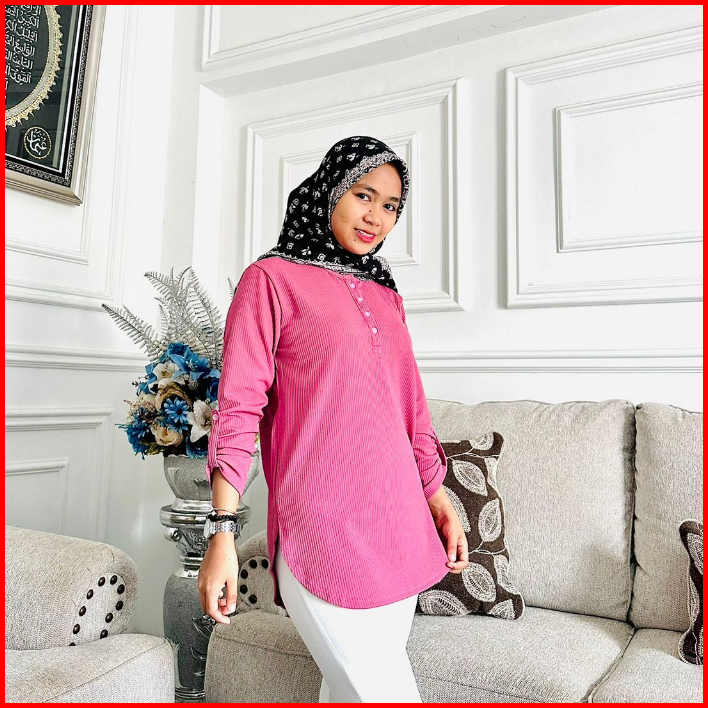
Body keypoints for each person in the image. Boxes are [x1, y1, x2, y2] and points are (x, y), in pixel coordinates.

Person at [198, 135, 469, 702]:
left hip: (398, 520)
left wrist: (438, 495)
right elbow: (239, 407)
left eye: (391, 206)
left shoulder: (384, 292)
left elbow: (409, 405)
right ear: (330, 189)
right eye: (363, 195)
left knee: (348, 694)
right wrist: (221, 533)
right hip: (320, 526)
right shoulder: (270, 280)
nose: (376, 217)